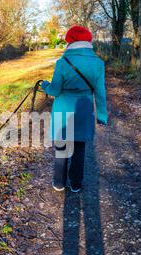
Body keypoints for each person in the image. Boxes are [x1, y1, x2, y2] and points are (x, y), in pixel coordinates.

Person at [41, 25, 108, 193]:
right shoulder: (98, 64)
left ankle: (59, 182)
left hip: (63, 111)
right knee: (79, 149)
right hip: (84, 111)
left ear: (69, 42)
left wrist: (45, 85)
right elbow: (100, 93)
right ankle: (76, 183)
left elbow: (55, 90)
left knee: (62, 148)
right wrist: (102, 116)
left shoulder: (63, 63)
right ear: (88, 41)